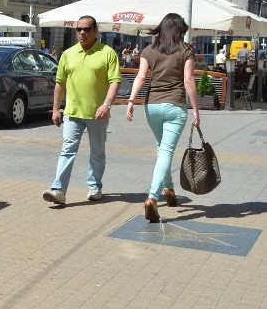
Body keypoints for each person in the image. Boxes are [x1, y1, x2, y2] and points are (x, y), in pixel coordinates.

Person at [125, 13, 199, 223]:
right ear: (178, 31)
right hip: (175, 105)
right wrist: (195, 109)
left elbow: (141, 77)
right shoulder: (186, 50)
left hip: (152, 106)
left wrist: (131, 101)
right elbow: (188, 79)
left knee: (161, 148)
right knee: (166, 151)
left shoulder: (149, 50)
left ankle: (170, 191)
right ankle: (152, 198)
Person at [43, 16, 121, 205]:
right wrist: (55, 109)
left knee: (97, 152)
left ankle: (94, 187)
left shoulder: (107, 53)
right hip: (72, 113)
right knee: (67, 150)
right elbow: (60, 84)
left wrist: (106, 105)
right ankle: (58, 190)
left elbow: (115, 82)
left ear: (95, 31)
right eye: (79, 29)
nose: (82, 33)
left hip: (98, 114)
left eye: (86, 29)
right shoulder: (68, 54)